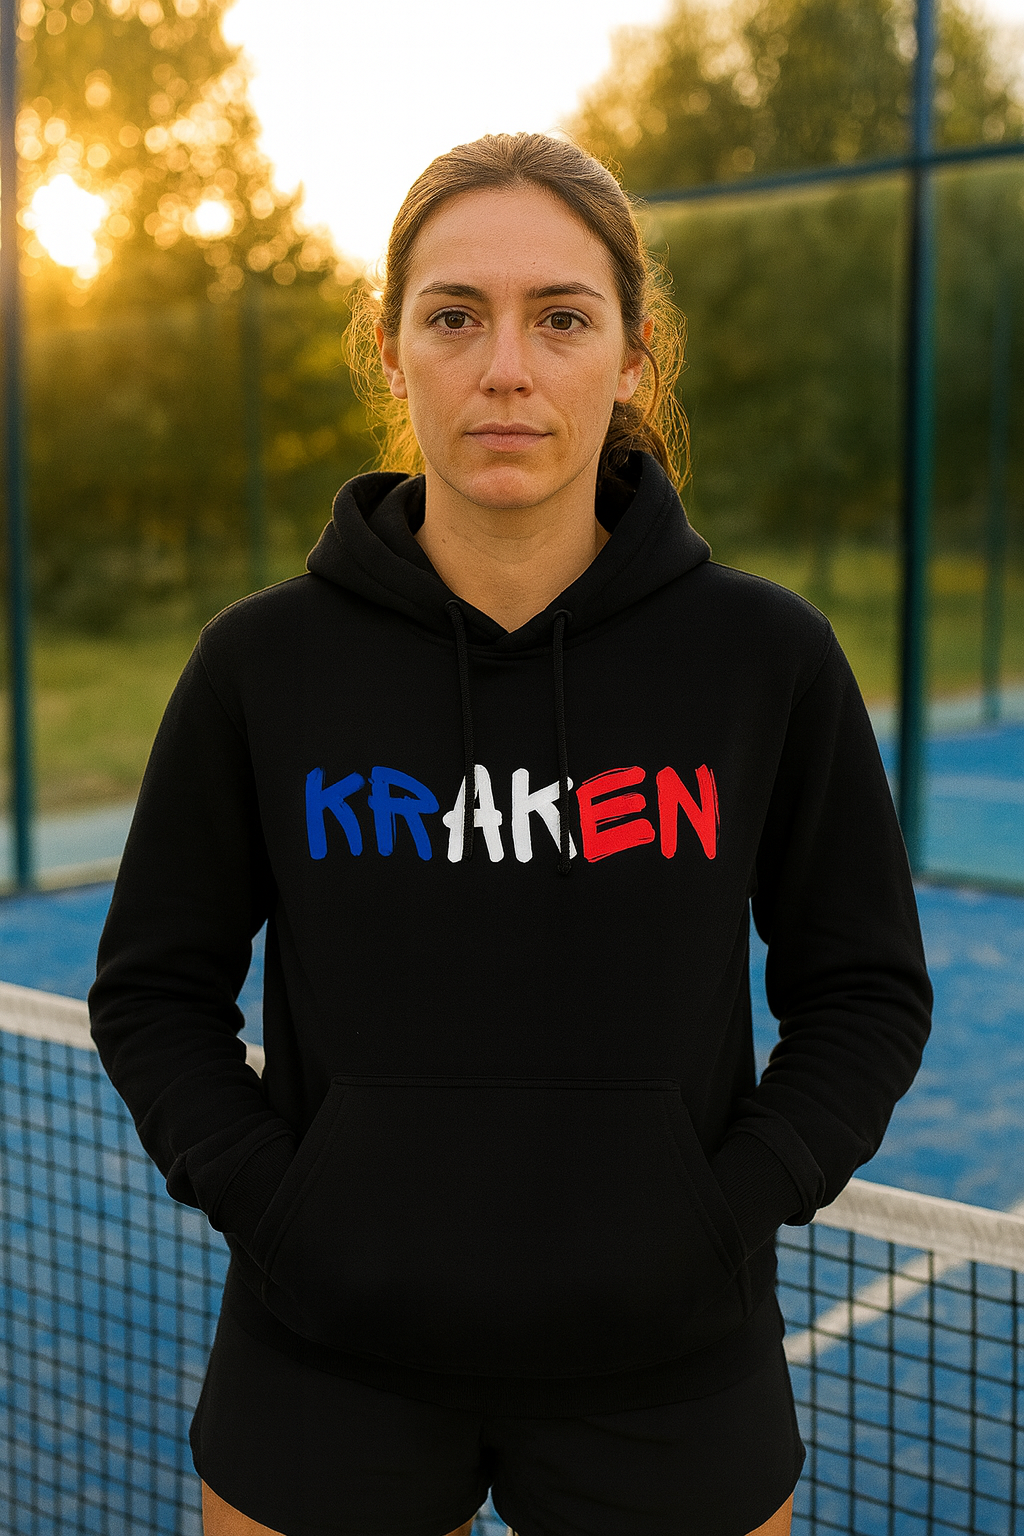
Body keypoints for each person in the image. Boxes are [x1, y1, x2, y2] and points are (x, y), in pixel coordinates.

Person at [88, 132, 933, 1536]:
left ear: (634, 357)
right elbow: (151, 991)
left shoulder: (763, 658)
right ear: (391, 350)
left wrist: (719, 1216)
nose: (505, 369)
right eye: (455, 317)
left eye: (561, 319)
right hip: (323, 1359)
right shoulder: (261, 666)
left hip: (671, 1364)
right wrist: (288, 1216)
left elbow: (865, 989)